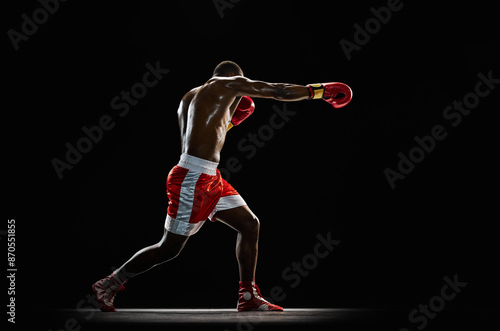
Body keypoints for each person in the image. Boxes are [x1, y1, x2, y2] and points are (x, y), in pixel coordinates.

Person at [92, 61, 352, 312]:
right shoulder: (228, 84)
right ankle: (110, 283)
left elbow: (202, 135)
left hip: (208, 176)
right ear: (233, 77)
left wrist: (232, 122)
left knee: (250, 224)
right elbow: (278, 90)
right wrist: (318, 91)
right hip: (192, 179)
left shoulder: (191, 97)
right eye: (240, 85)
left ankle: (248, 296)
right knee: (169, 248)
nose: (240, 92)